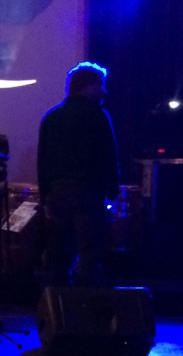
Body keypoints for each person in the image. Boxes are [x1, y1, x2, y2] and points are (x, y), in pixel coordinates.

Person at [36, 61, 121, 287]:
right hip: (87, 192)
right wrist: (113, 191)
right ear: (87, 86)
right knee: (89, 252)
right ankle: (84, 301)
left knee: (60, 253)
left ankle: (57, 302)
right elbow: (108, 155)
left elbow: (43, 161)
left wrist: (44, 197)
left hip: (57, 193)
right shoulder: (97, 116)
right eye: (100, 85)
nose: (104, 91)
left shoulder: (51, 117)